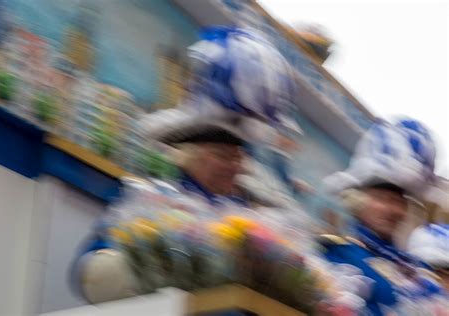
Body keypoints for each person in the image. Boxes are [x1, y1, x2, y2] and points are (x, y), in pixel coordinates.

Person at [71, 26, 297, 304]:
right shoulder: (152, 203)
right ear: (189, 154)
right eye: (223, 155)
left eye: (239, 156)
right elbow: (87, 274)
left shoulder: (253, 224)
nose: (235, 165)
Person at [320, 119, 447, 315]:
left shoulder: (419, 273)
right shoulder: (338, 254)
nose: (393, 210)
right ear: (356, 200)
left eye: (399, 202)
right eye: (382, 199)